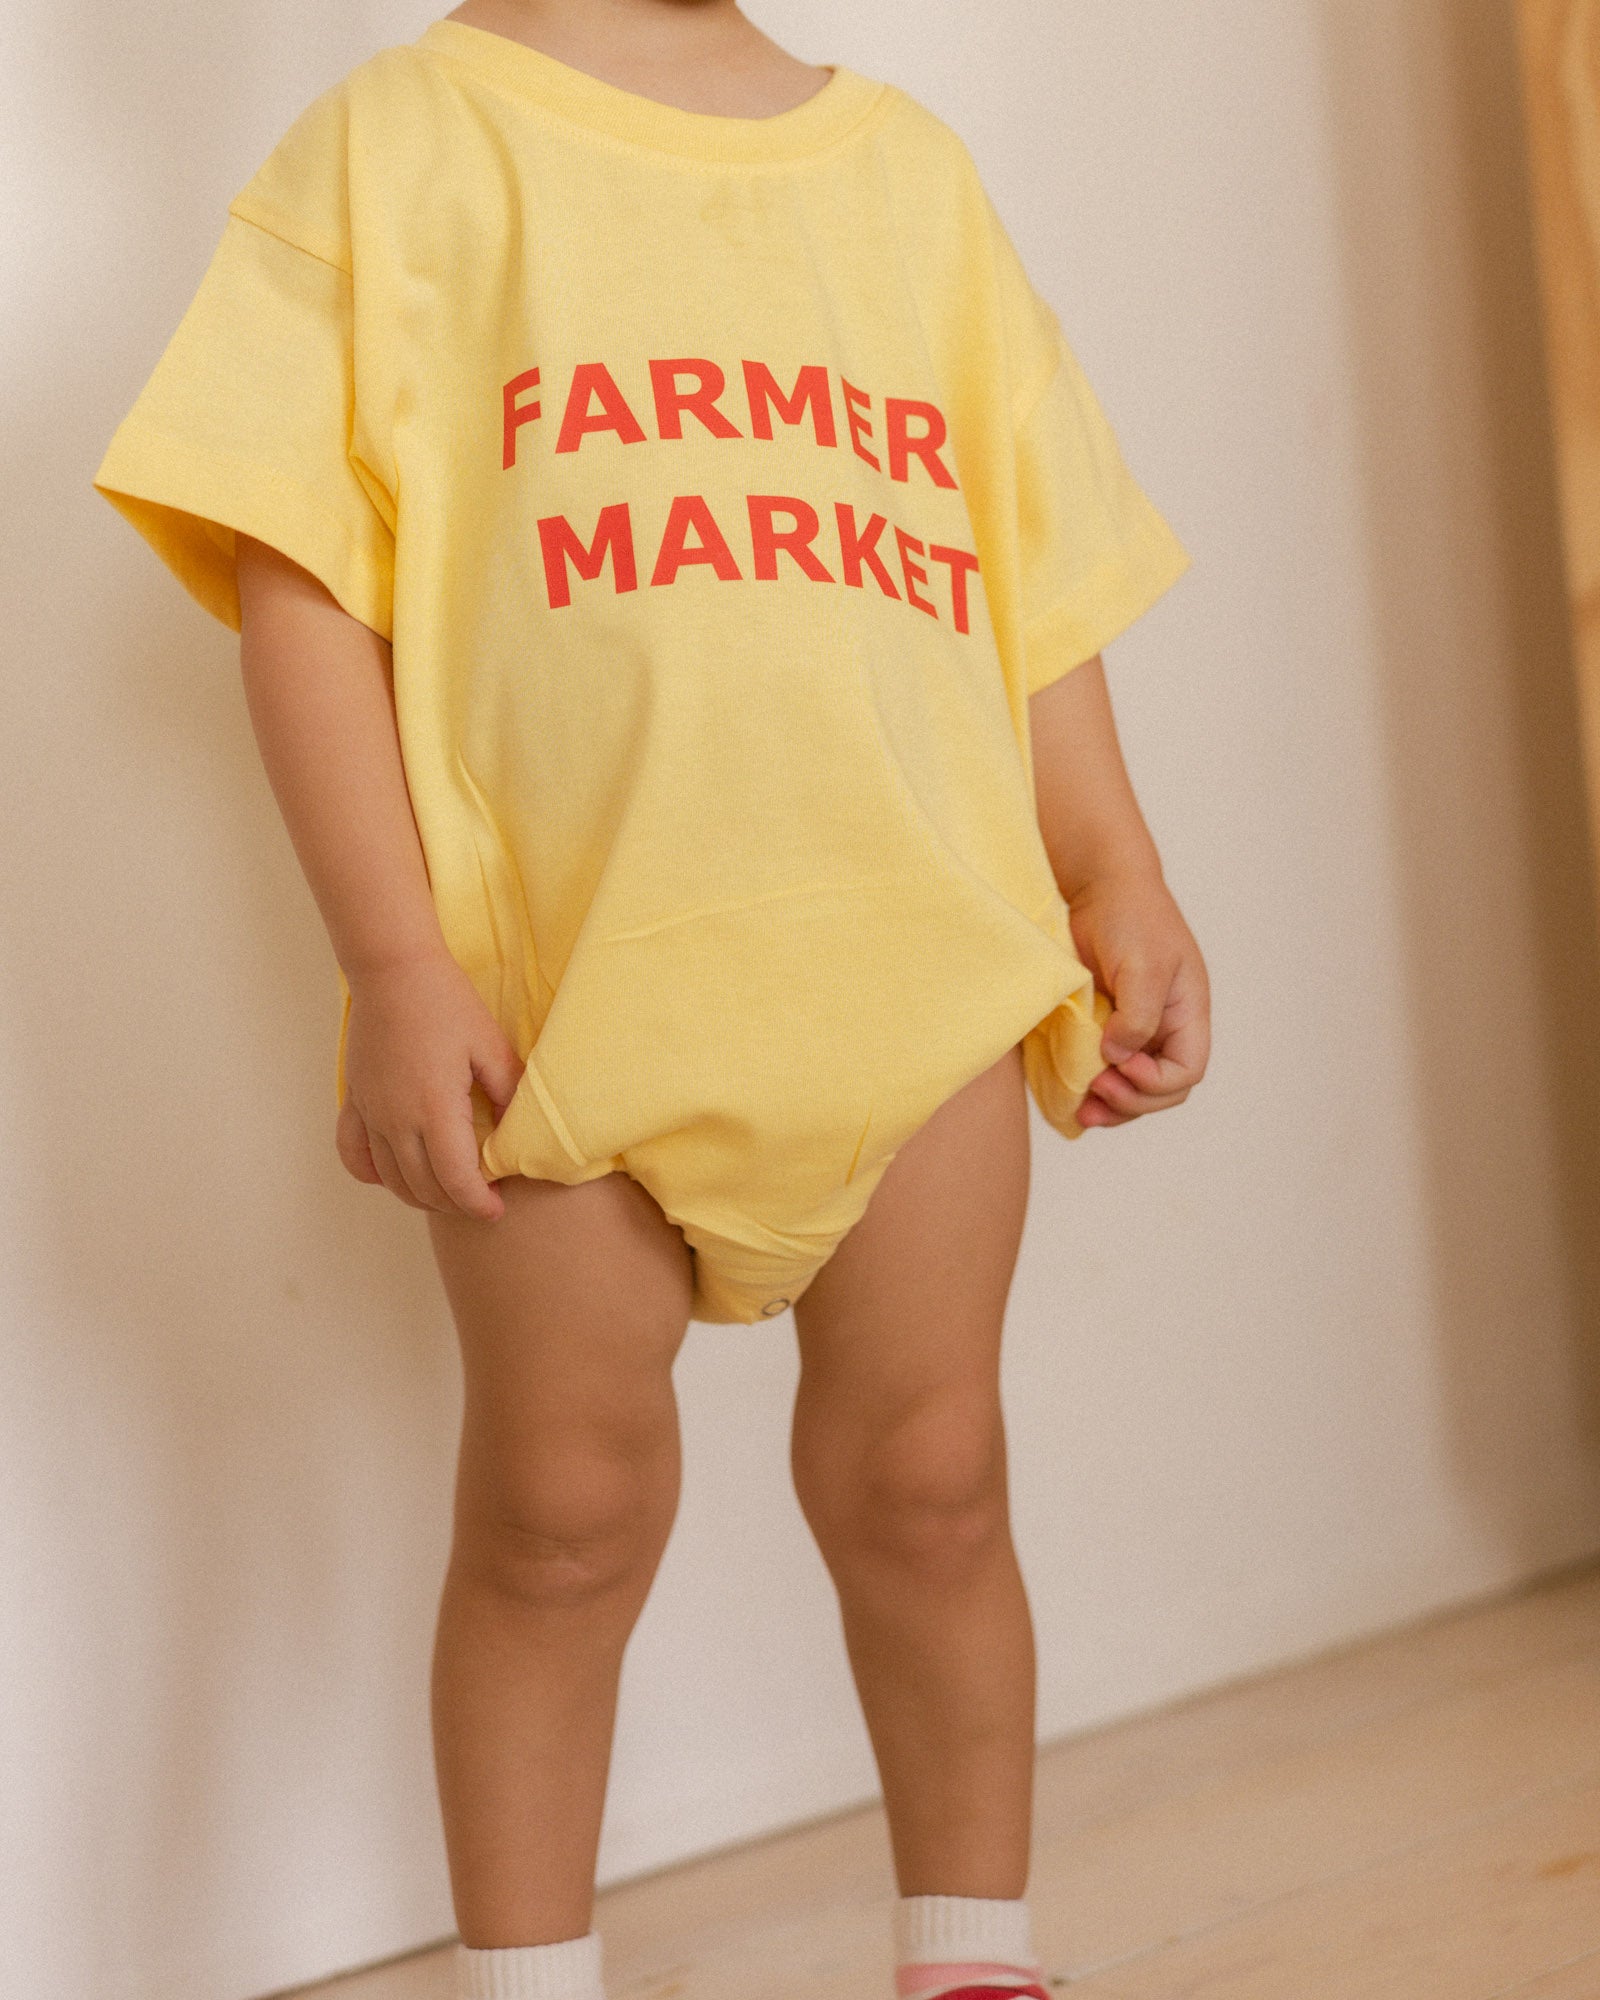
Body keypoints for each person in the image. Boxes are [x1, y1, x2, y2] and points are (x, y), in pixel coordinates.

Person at [92, 2, 1210, 1995]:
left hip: (916, 968)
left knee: (933, 1481)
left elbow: (1025, 578)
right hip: (562, 1011)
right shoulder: (392, 152)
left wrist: (1110, 863)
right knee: (555, 1518)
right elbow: (299, 593)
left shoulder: (903, 176)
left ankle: (972, 1958)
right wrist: (393, 957)